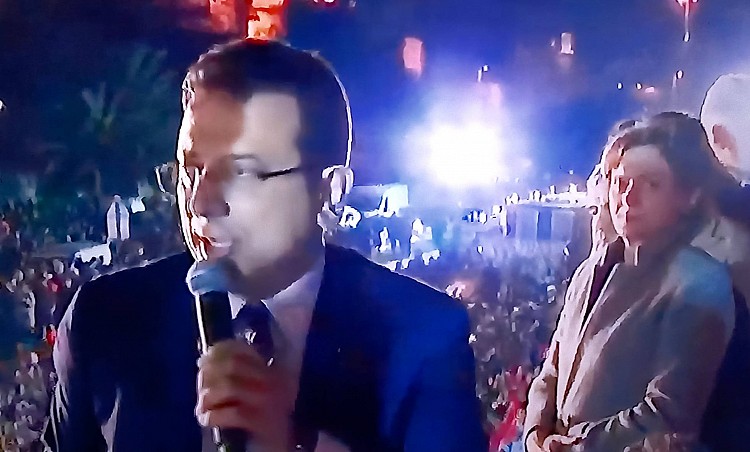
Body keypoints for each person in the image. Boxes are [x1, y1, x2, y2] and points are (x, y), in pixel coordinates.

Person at [44, 38, 486, 452]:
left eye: (242, 172)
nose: (200, 203)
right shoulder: (104, 318)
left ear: (329, 189)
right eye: (190, 170)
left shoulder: (422, 336)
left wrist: (293, 442)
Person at [524, 116, 738, 451]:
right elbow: (552, 369)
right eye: (621, 183)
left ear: (688, 196)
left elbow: (668, 413)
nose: (628, 197)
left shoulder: (697, 283)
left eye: (651, 184)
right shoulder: (588, 272)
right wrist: (535, 432)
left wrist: (573, 447)